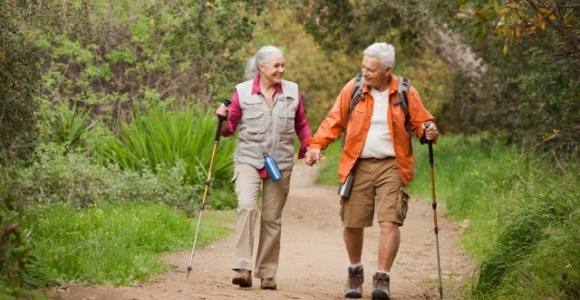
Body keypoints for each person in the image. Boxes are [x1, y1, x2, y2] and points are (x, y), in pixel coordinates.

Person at [305, 42, 439, 300]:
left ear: (387, 70)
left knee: (390, 220)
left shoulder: (405, 92)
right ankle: (355, 272)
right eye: (363, 66)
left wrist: (428, 131)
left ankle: (382, 278)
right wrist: (315, 146)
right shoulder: (353, 88)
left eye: (371, 69)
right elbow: (334, 121)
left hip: (393, 164)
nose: (365, 72)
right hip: (358, 163)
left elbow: (422, 124)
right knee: (353, 222)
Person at [215, 45, 312, 290]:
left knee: (272, 218)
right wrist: (223, 118)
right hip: (248, 159)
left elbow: (302, 124)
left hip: (280, 162)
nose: (282, 69)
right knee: (247, 206)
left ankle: (267, 273)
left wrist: (310, 147)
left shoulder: (292, 91)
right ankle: (243, 268)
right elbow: (229, 130)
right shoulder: (242, 92)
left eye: (282, 65)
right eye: (276, 65)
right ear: (261, 67)